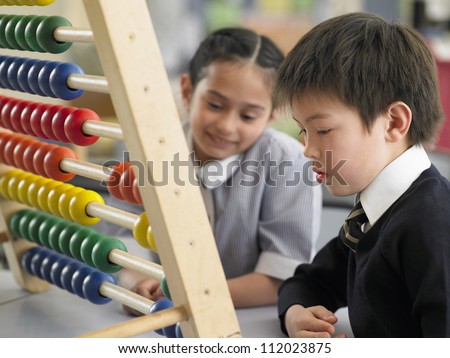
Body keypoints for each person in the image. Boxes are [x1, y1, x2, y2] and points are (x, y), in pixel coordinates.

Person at [100, 27, 322, 314]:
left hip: (252, 318)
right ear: (187, 91)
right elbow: (124, 240)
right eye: (215, 105)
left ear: (272, 114)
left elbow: (281, 275)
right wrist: (137, 284)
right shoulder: (147, 151)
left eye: (248, 115)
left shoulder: (288, 162)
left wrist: (187, 297)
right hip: (165, 318)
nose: (226, 125)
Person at [274, 12, 450, 338]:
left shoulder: (431, 223)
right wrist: (296, 315)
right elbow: (308, 282)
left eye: (323, 129)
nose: (308, 149)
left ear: (394, 123)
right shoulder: (372, 214)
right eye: (303, 130)